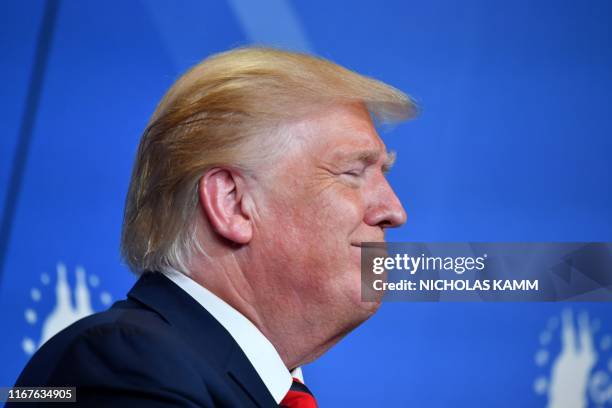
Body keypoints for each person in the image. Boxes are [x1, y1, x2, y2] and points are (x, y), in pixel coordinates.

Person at [12, 47, 414, 407]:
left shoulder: (239, 384)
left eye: (385, 173)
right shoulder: (121, 365)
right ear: (232, 203)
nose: (394, 211)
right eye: (351, 172)